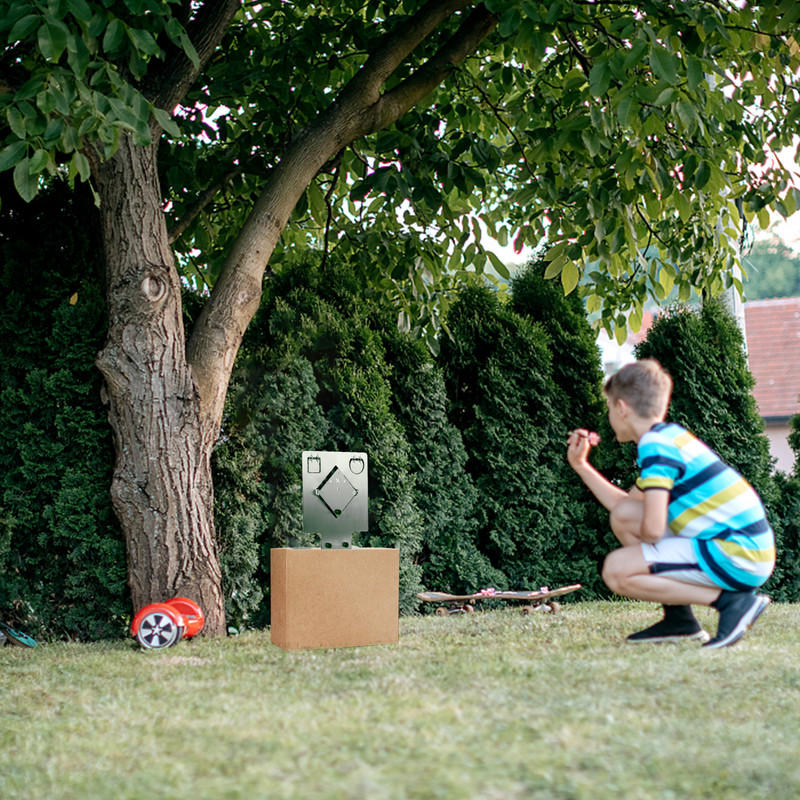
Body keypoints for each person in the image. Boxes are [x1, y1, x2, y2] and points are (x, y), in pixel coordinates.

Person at [567, 358, 775, 649]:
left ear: (622, 408)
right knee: (625, 517)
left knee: (616, 570)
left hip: (738, 553)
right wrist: (581, 465)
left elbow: (651, 530)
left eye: (609, 407)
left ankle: (733, 603)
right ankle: (680, 621)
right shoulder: (668, 438)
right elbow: (627, 509)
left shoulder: (655, 446)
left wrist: (644, 546)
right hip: (745, 548)